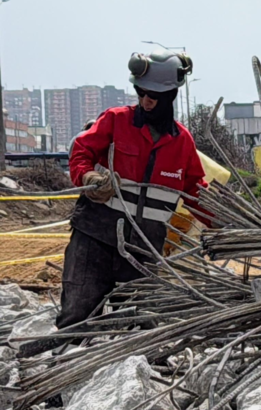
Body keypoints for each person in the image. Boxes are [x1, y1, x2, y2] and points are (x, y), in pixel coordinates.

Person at [58, 50, 206, 329]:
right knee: (76, 321)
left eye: (154, 96)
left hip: (143, 250)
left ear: (170, 97)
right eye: (141, 93)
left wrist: (225, 223)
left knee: (140, 329)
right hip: (94, 240)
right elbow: (81, 151)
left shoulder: (181, 142)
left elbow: (197, 191)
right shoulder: (115, 121)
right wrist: (88, 177)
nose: (146, 101)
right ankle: (69, 365)